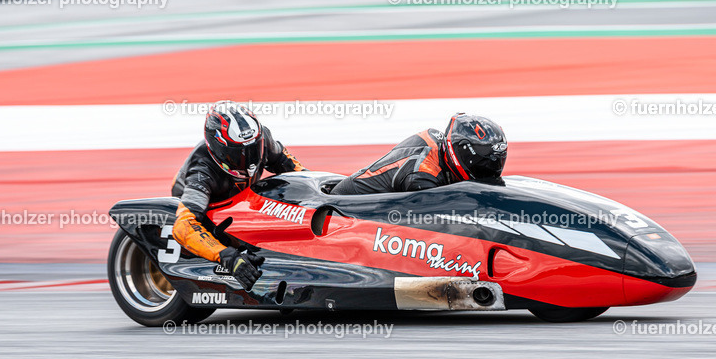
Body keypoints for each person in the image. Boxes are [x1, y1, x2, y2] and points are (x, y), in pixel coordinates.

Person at [170, 101, 305, 290]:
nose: (249, 161)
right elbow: (183, 226)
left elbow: (296, 170)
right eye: (238, 154)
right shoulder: (202, 170)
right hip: (211, 209)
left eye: (253, 149)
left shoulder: (263, 138)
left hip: (241, 200)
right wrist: (228, 257)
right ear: (218, 148)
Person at [330, 113, 507, 195]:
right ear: (463, 154)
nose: (491, 170)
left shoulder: (440, 145)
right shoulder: (422, 176)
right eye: (485, 164)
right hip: (346, 210)